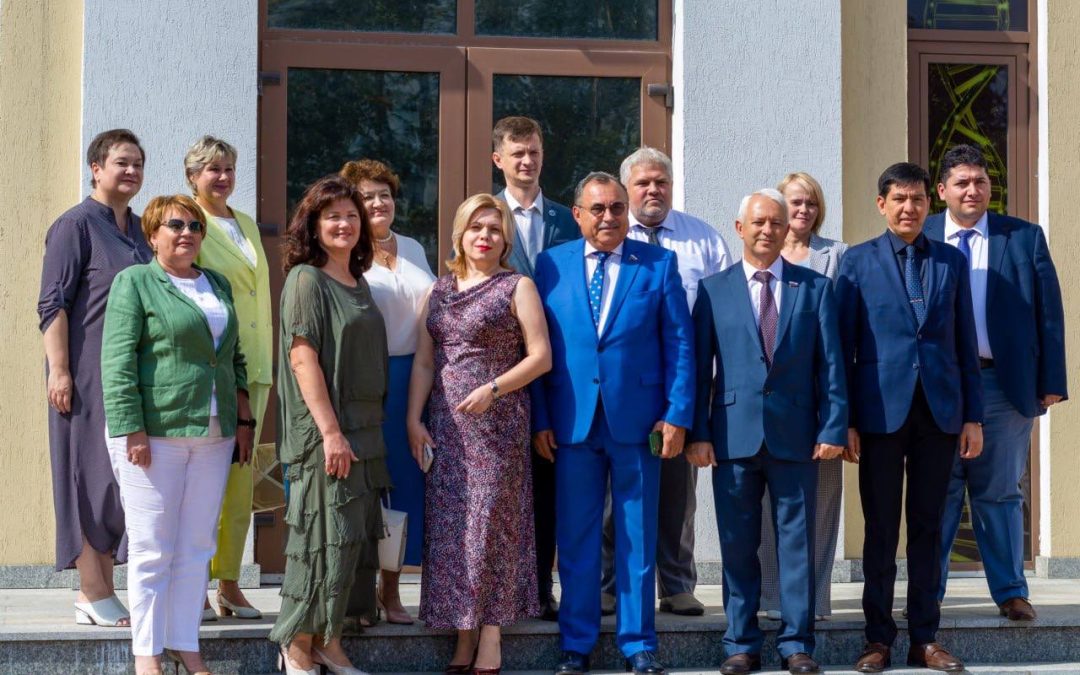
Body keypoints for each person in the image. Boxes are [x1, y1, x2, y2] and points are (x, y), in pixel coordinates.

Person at [532, 172, 694, 675]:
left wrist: (676, 413)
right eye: (597, 209)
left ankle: (638, 643)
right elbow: (534, 348)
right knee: (576, 538)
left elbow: (681, 345)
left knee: (637, 537)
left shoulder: (659, 264)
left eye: (617, 208)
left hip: (639, 422)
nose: (609, 217)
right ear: (576, 214)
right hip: (571, 423)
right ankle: (575, 645)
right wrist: (540, 416)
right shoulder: (550, 265)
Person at [686, 189, 847, 675]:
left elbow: (832, 366)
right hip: (732, 436)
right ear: (740, 228)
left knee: (796, 544)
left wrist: (834, 425)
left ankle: (797, 644)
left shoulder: (814, 288)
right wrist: (698, 432)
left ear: (786, 229)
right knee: (737, 546)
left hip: (797, 436)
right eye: (758, 221)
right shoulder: (714, 290)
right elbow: (698, 369)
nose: (767, 229)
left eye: (776, 222)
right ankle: (741, 643)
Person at [836, 162, 983, 673]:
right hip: (879, 413)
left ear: (930, 203)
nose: (909, 208)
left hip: (939, 414)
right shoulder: (856, 262)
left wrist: (973, 417)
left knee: (928, 527)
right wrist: (846, 420)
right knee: (880, 530)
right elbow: (843, 349)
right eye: (899, 199)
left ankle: (925, 638)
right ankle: (877, 639)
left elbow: (964, 343)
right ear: (882, 204)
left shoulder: (949, 262)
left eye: (918, 199)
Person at [101, 194, 253, 675]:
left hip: (215, 432)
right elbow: (117, 362)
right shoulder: (136, 282)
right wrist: (132, 429)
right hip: (155, 432)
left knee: (196, 547)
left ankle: (187, 645)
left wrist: (243, 419)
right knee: (151, 548)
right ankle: (147, 654)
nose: (186, 232)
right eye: (174, 225)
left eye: (194, 226)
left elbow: (234, 358)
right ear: (152, 235)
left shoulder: (219, 284)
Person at [408, 193, 551, 675]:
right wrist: (414, 419)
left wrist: (494, 387)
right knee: (453, 531)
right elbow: (427, 360)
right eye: (476, 228)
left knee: (491, 527)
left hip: (498, 424)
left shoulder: (517, 285)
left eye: (494, 228)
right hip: (447, 426)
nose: (484, 236)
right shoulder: (440, 290)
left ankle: (490, 635)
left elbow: (540, 356)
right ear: (460, 235)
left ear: (505, 238)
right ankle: (462, 635)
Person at [925, 144, 1067, 621]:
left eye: (980, 181)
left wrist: (1051, 380)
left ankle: (1010, 591)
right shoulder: (919, 236)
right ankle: (930, 593)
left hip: (1003, 387)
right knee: (938, 490)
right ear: (941, 190)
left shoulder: (1023, 238)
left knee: (1000, 491)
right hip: (937, 389)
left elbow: (1049, 314)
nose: (973, 190)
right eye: (962, 182)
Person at [600, 146, 731, 618]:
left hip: (684, 388)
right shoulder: (610, 237)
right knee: (615, 496)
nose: (653, 190)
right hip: (622, 391)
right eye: (642, 183)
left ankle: (676, 585)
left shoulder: (704, 240)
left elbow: (723, 316)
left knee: (678, 494)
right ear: (625, 189)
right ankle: (609, 586)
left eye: (661, 182)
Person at [269, 175, 389, 675]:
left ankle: (330, 641)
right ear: (313, 226)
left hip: (365, 428)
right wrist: (330, 433)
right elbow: (303, 360)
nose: (344, 224)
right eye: (333, 216)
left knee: (349, 542)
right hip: (328, 433)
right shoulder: (306, 280)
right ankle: (297, 644)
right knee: (320, 537)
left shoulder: (358, 281)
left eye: (352, 216)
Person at [37, 128, 152, 628]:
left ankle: (103, 586)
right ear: (96, 168)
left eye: (138, 164)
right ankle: (91, 589)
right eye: (121, 162)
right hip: (84, 373)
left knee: (116, 481)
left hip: (129, 377)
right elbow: (52, 304)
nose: (131, 172)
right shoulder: (75, 226)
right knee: (85, 474)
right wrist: (59, 370)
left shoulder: (143, 229)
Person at [492, 115, 579, 621]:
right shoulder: (484, 215)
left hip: (559, 368)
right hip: (502, 368)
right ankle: (505, 588)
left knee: (550, 488)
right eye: (517, 153)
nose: (527, 161)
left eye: (534, 152)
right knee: (503, 487)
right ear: (498, 159)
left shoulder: (569, 220)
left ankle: (544, 590)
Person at [340, 158, 435, 626]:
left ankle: (391, 591)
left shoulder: (415, 247)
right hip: (362, 381)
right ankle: (358, 596)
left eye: (385, 194)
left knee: (402, 490)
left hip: (413, 382)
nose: (378, 203)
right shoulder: (343, 250)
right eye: (367, 195)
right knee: (361, 489)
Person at [184, 135, 273, 622]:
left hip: (256, 366)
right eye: (212, 169)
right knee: (204, 483)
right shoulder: (186, 220)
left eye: (229, 168)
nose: (222, 177)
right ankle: (193, 584)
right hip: (213, 368)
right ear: (192, 176)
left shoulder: (245, 224)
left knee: (241, 482)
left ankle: (230, 583)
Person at [759, 172, 848, 622]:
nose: (804, 211)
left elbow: (843, 333)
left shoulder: (836, 255)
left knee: (822, 502)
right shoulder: (761, 254)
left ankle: (814, 600)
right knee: (769, 505)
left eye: (812, 203)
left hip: (820, 402)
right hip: (772, 405)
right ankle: (774, 598)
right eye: (796, 202)